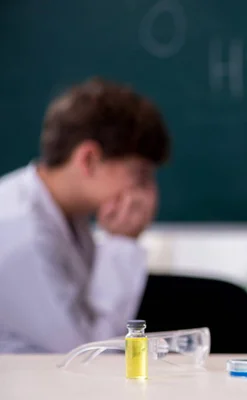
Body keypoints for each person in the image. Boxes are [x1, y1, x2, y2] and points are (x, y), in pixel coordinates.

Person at [0, 78, 170, 353]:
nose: (148, 193)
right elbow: (88, 356)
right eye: (140, 175)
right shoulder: (20, 235)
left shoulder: (68, 216)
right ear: (88, 159)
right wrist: (122, 243)